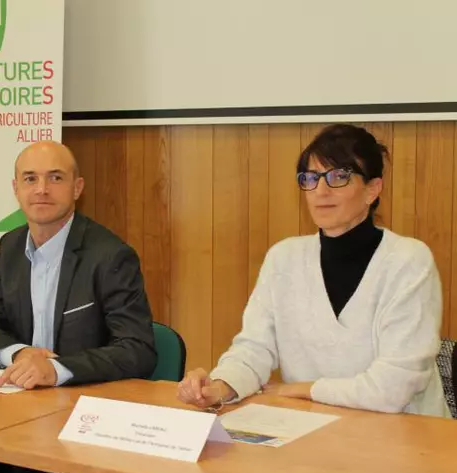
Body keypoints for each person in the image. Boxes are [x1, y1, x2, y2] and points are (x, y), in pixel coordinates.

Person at [0, 140, 157, 473]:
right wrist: (19, 353)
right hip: (14, 413)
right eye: (30, 178)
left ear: (77, 188)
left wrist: (58, 369)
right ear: (16, 189)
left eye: (55, 178)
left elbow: (138, 349)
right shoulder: (10, 247)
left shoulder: (110, 255)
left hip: (79, 418)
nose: (42, 189)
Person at [178, 124, 450, 418]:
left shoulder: (408, 261)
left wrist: (304, 389)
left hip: (409, 439)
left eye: (338, 176)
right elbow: (253, 349)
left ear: (373, 189)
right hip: (314, 430)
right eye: (310, 178)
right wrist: (219, 386)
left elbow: (393, 388)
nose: (320, 191)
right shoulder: (284, 258)